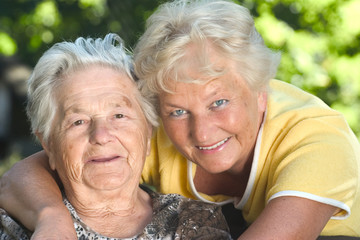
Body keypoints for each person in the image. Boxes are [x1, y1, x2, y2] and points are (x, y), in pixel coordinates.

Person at [1, 0, 360, 239]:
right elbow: (31, 170)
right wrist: (53, 219)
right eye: (177, 110)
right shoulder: (157, 132)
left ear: (260, 92)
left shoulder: (318, 142)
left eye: (219, 102)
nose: (201, 132)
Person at [0, 33, 232, 239]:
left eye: (119, 115)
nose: (101, 136)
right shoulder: (11, 224)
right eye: (78, 121)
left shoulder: (194, 222)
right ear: (48, 145)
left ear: (148, 131)